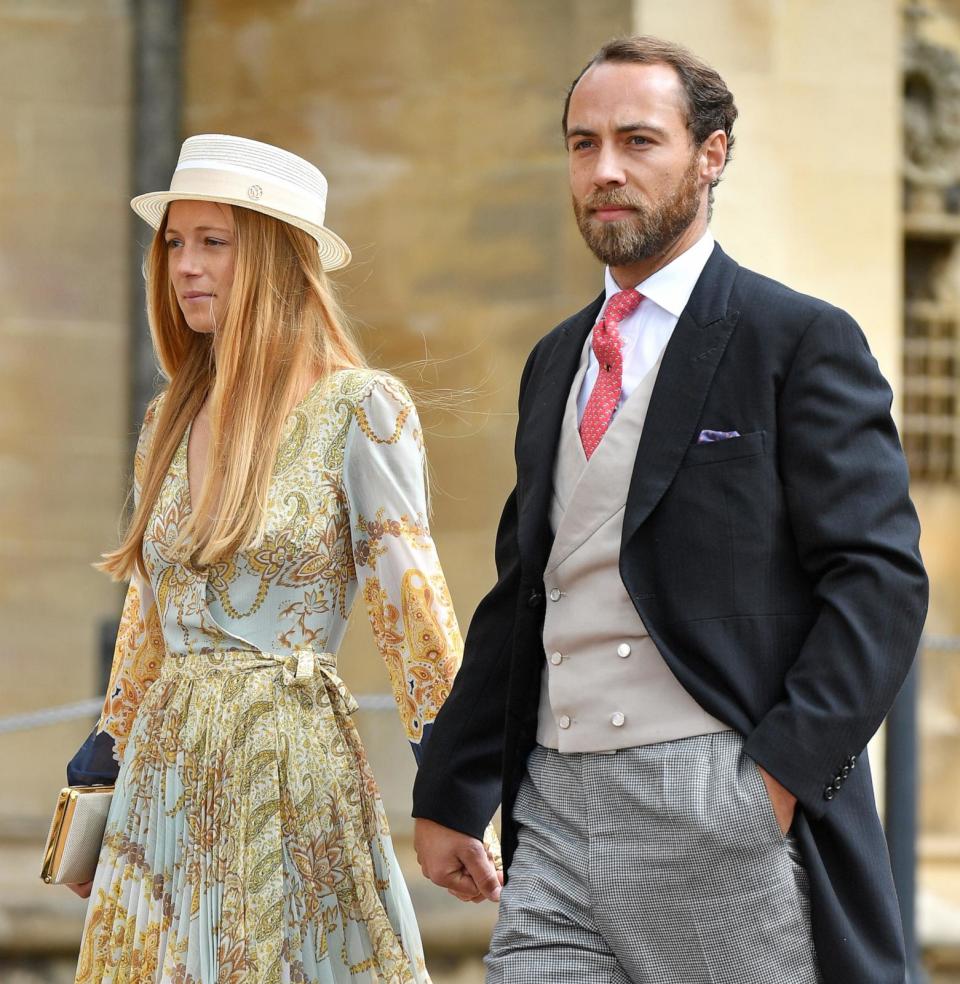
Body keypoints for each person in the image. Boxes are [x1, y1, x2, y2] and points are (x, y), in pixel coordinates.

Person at [412, 36, 928, 984]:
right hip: (554, 811)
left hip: (714, 803)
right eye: (582, 144)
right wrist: (452, 785)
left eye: (638, 141)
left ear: (712, 154)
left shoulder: (797, 339)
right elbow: (530, 587)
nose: (604, 171)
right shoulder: (555, 360)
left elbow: (880, 582)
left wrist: (771, 785)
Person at [64, 133, 477, 983]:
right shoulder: (167, 422)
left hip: (290, 763)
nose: (185, 266)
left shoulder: (362, 410)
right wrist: (103, 762)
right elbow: (148, 619)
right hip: (164, 776)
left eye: (214, 242)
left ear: (278, 260)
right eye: (174, 243)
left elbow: (416, 616)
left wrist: (456, 793)